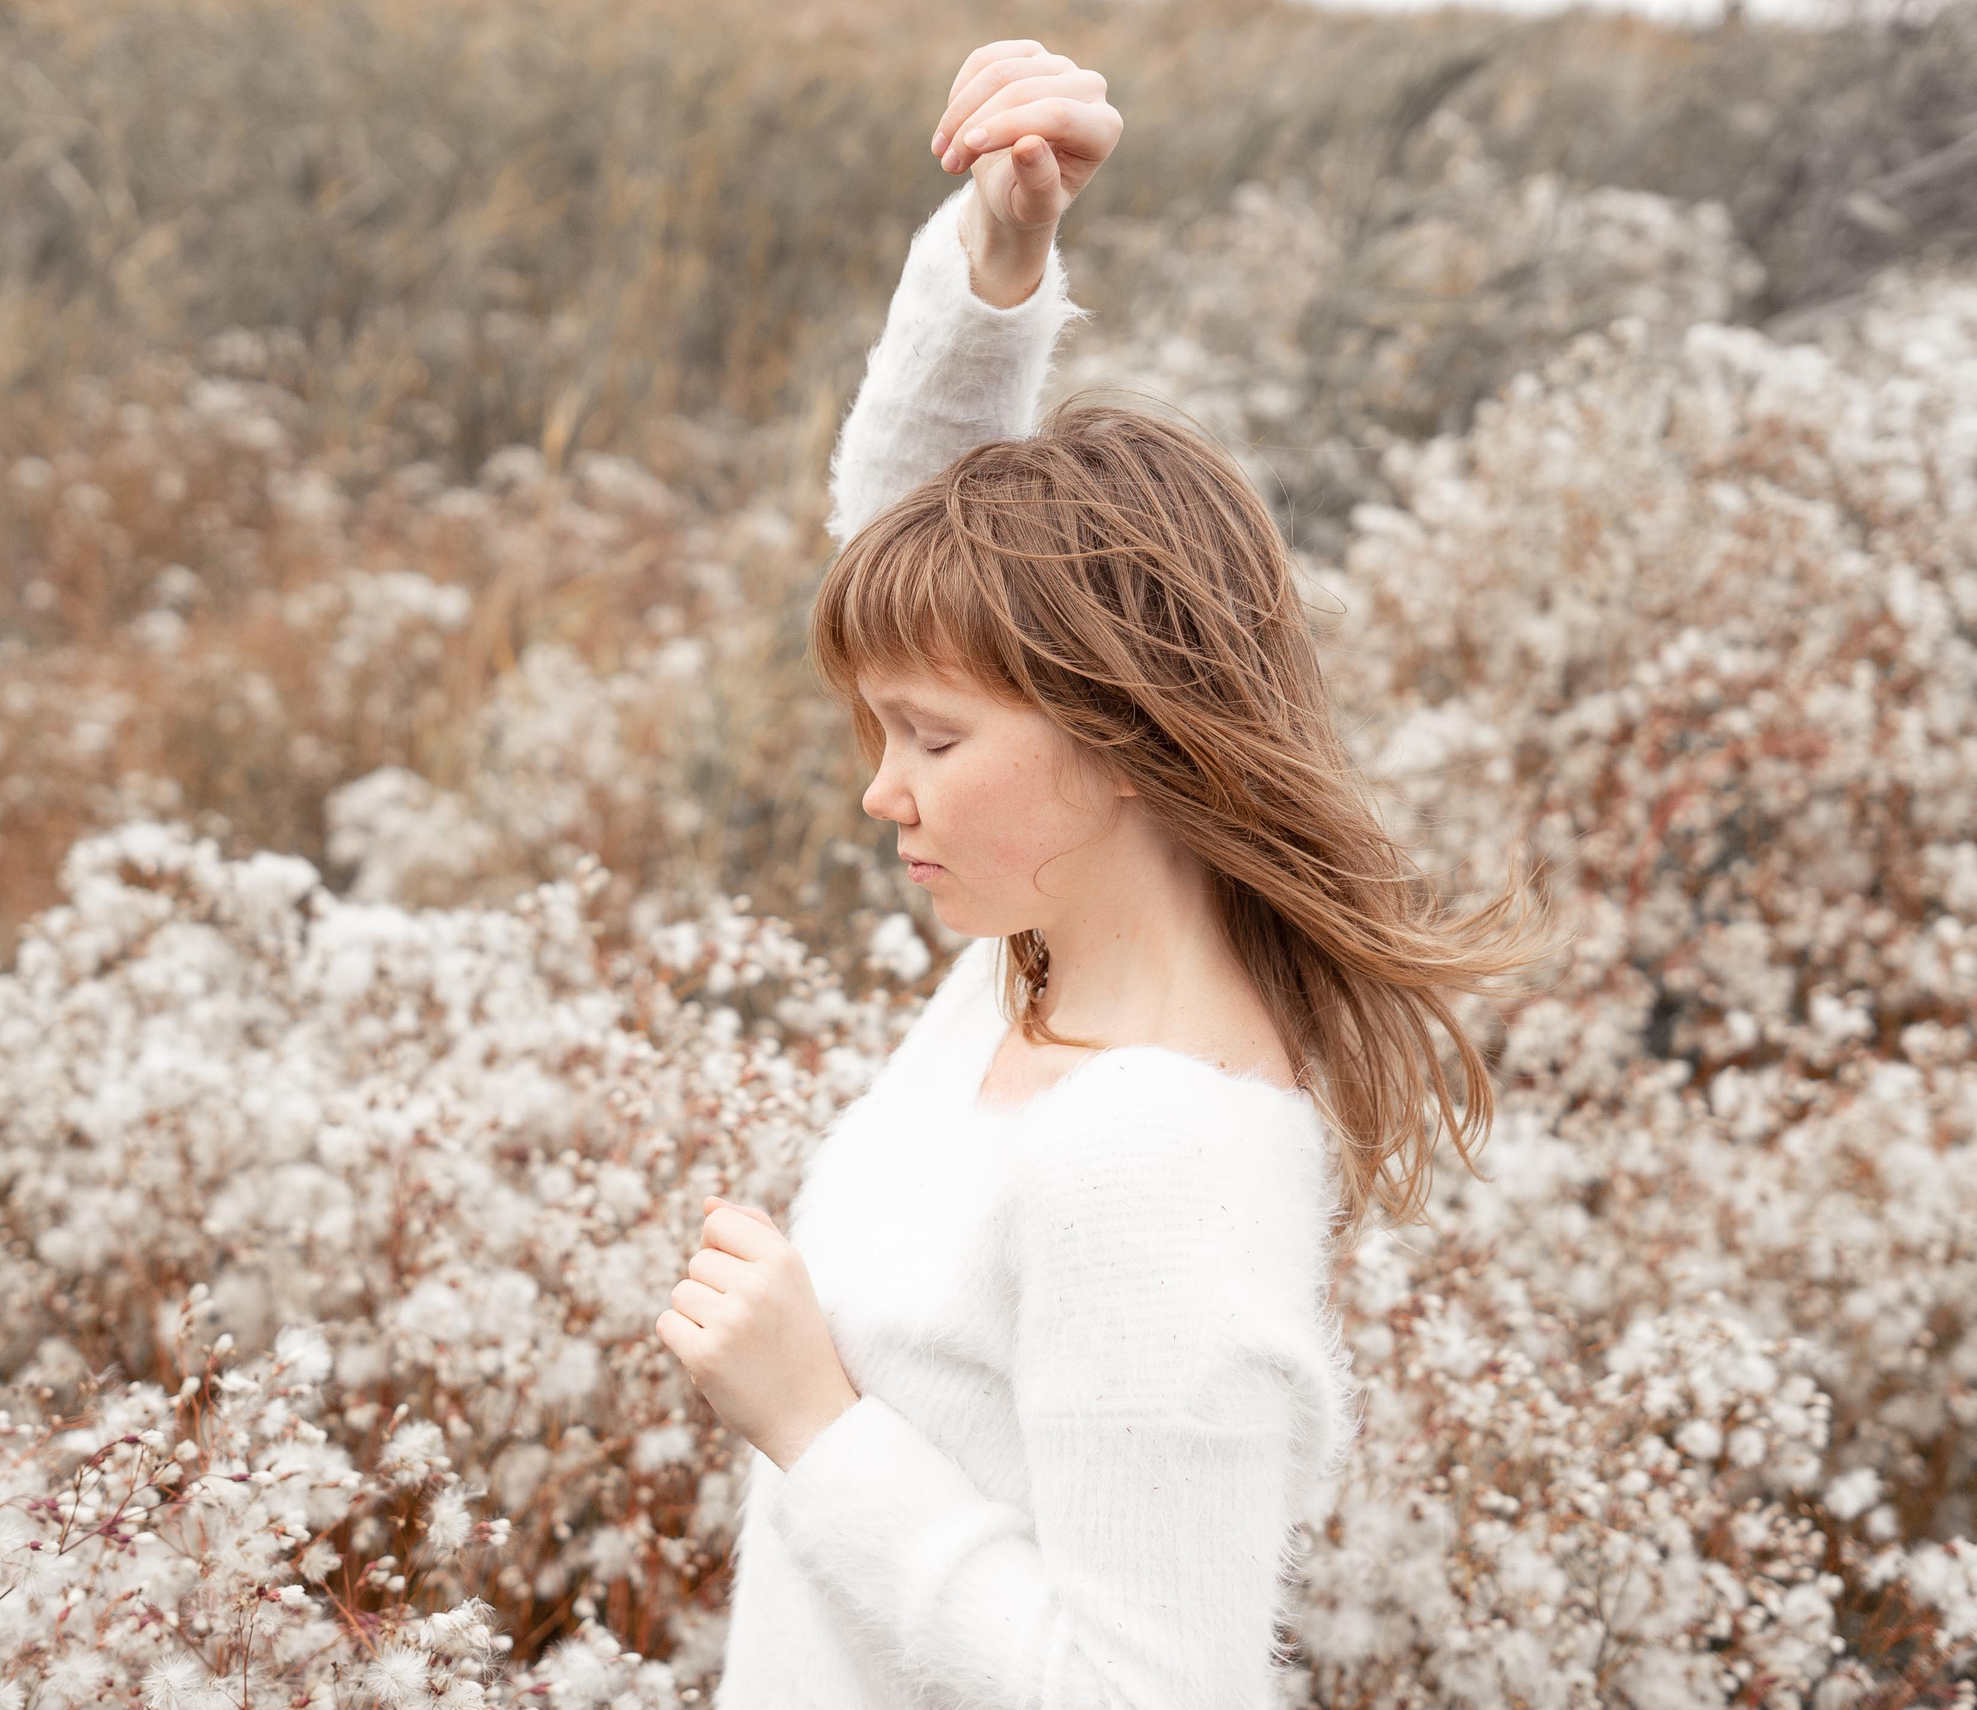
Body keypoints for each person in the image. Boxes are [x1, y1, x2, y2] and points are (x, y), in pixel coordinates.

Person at [654, 39, 1556, 1708]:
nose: (877, 791)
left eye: (928, 744)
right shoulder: (1036, 956)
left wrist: (816, 1426)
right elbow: (926, 554)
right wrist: (998, 271)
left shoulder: (1158, 1155)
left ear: (1120, 732)